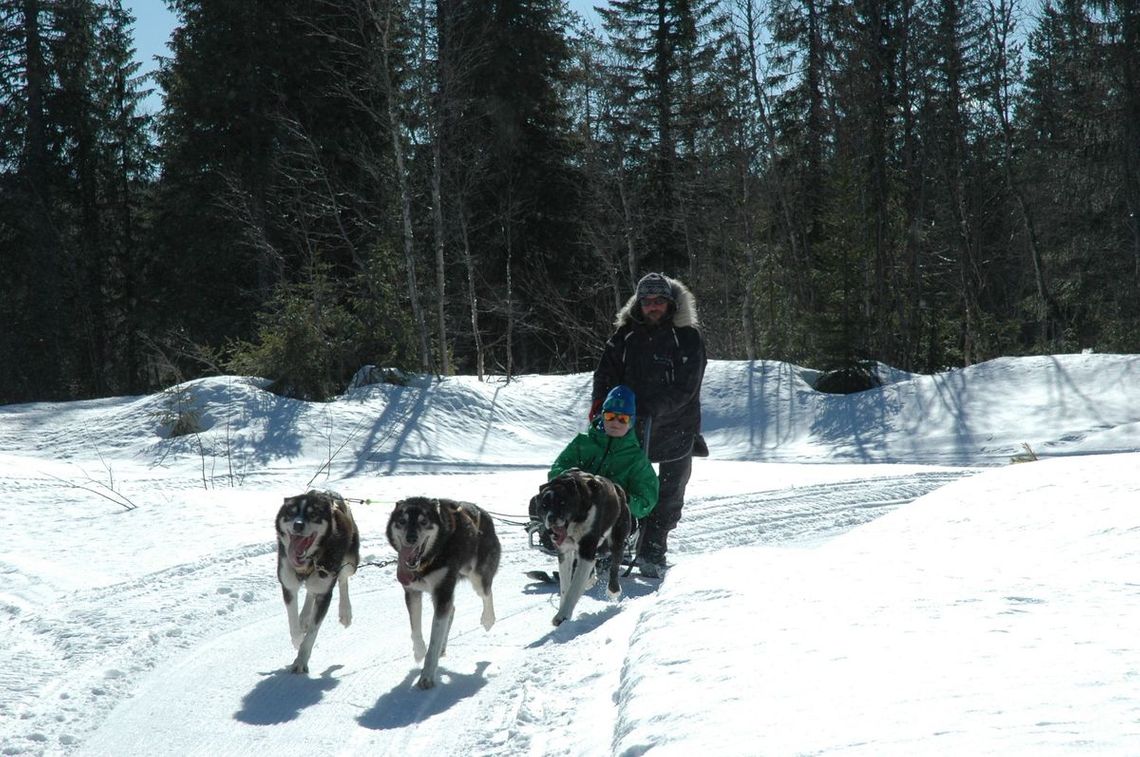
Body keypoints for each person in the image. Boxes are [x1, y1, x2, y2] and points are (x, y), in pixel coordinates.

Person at [591, 272, 706, 578]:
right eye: (647, 302)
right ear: (638, 304)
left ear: (669, 304)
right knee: (621, 487)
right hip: (629, 427)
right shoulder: (624, 337)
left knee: (669, 492)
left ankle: (653, 548)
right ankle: (612, 543)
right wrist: (599, 408)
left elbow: (687, 387)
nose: (653, 307)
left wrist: (652, 407)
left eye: (659, 301)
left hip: (676, 426)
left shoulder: (688, 337)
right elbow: (605, 375)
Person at [529, 384, 660, 558]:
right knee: (539, 500)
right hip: (579, 504)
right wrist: (569, 482)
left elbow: (646, 499)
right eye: (610, 416)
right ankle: (552, 537)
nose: (615, 423)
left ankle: (601, 556)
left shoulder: (636, 459)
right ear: (602, 416)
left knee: (607, 520)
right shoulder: (583, 443)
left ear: (631, 422)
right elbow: (558, 469)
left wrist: (625, 500)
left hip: (612, 513)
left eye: (622, 419)